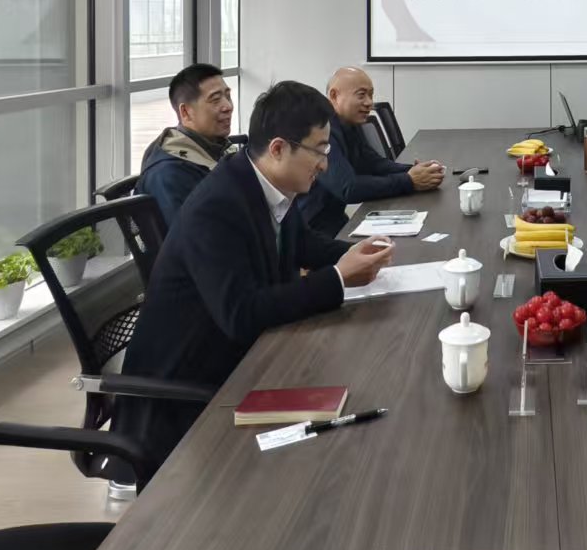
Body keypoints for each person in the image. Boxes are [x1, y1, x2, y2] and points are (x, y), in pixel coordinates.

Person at [115, 81, 395, 473]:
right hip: (188, 393)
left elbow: (303, 244)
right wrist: (337, 278)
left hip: (244, 358)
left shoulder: (263, 182)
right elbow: (241, 314)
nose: (325, 164)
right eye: (320, 150)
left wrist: (357, 252)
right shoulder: (217, 206)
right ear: (278, 148)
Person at [298, 67, 444, 237]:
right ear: (334, 95)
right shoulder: (322, 130)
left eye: (371, 95)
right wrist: (409, 180)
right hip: (313, 230)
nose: (369, 103)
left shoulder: (348, 124)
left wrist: (415, 171)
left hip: (336, 221)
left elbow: (372, 163)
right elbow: (349, 188)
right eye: (361, 95)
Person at [137, 64, 236, 233]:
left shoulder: (218, 148)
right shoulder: (168, 174)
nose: (228, 106)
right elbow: (192, 240)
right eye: (215, 100)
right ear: (186, 112)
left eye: (228, 96)